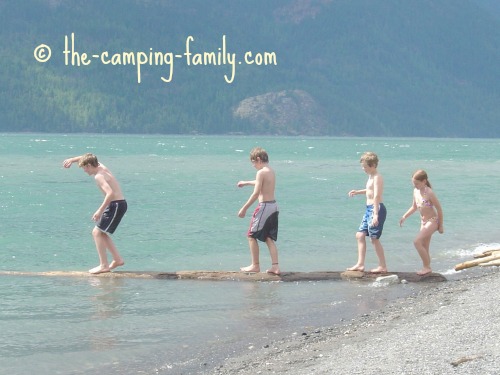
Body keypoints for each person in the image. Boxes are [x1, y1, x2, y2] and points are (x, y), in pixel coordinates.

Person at [62, 153, 127, 274]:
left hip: (116, 204)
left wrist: (99, 210)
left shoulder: (99, 176)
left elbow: (110, 193)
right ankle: (117, 259)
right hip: (118, 204)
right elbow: (86, 156)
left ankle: (104, 265)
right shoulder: (101, 166)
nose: (84, 171)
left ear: (90, 165)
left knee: (96, 232)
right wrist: (72, 160)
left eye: (85, 168)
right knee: (100, 233)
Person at [237, 147, 280, 275]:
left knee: (251, 235)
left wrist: (243, 209)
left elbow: (256, 193)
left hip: (265, 207)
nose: (253, 165)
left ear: (258, 159)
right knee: (268, 237)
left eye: (253, 162)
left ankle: (255, 265)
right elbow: (260, 183)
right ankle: (275, 266)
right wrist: (245, 182)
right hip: (274, 206)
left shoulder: (261, 172)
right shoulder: (270, 171)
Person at [347, 151, 388, 273]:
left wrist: (375, 215)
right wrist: (358, 191)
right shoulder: (370, 176)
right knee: (359, 235)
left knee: (374, 238)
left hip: (377, 209)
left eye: (365, 167)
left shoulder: (377, 177)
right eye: (363, 166)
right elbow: (369, 190)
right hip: (369, 209)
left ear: (373, 165)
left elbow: (376, 196)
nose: (363, 169)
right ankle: (360, 264)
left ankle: (383, 266)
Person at [399, 169, 444, 276]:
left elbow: (439, 209)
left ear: (424, 181)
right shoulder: (415, 191)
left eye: (417, 183)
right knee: (424, 246)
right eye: (413, 183)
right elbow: (414, 207)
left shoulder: (429, 192)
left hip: (432, 221)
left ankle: (426, 267)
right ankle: (428, 268)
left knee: (417, 241)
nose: (415, 186)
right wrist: (404, 216)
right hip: (423, 221)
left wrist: (440, 226)